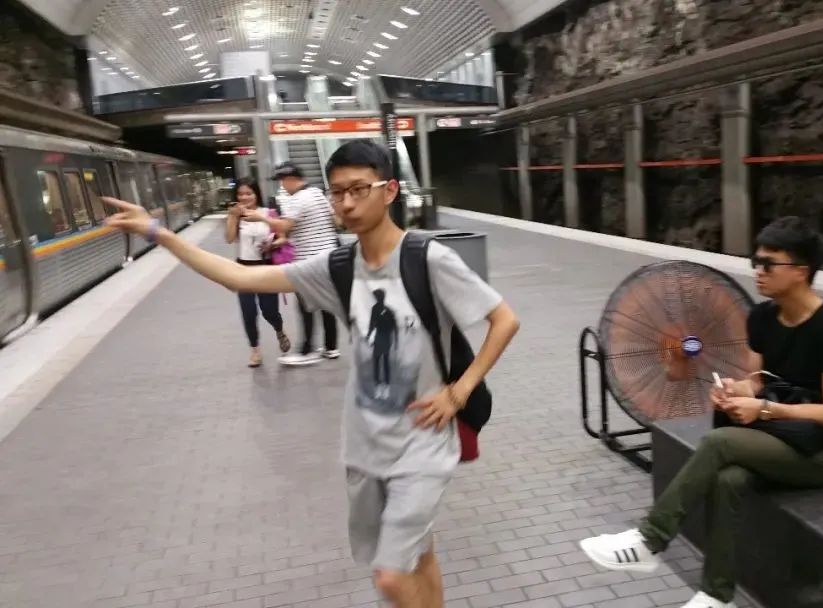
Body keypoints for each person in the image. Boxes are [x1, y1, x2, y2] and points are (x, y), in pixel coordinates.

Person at [102, 139, 520, 608]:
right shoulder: (338, 268)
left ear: (389, 191)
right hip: (365, 445)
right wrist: (158, 232)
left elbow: (504, 320)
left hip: (423, 442)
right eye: (337, 192)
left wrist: (458, 392)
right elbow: (241, 277)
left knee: (390, 575)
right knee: (417, 554)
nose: (347, 203)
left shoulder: (427, 258)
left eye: (359, 189)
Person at [578, 216, 823, 608]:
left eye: (768, 264)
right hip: (778, 438)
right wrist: (733, 391)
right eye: (755, 262)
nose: (758, 272)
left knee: (719, 442)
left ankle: (650, 539)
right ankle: (716, 595)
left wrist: (764, 409)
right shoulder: (762, 318)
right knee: (729, 480)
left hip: (822, 452)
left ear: (801, 270)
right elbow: (756, 381)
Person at [247, 162, 341, 365]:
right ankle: (331, 347)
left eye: (282, 181)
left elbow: (284, 226)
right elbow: (327, 222)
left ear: (290, 179)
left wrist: (261, 218)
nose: (282, 186)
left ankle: (306, 351)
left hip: (309, 262)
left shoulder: (299, 198)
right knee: (326, 304)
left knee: (305, 305)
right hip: (327, 257)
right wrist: (279, 242)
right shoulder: (317, 193)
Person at [223, 177, 290, 367]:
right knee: (248, 312)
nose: (244, 197)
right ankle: (255, 350)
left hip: (266, 267)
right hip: (243, 269)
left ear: (256, 194)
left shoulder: (268, 213)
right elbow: (229, 239)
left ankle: (279, 329)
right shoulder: (236, 215)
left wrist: (272, 244)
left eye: (248, 193)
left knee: (269, 311)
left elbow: (283, 238)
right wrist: (232, 217)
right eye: (240, 194)